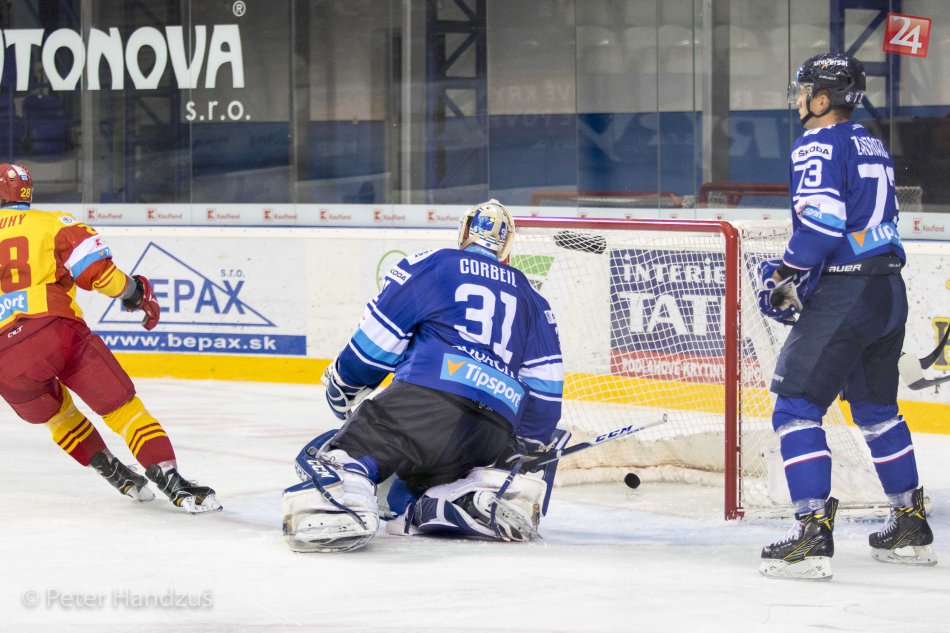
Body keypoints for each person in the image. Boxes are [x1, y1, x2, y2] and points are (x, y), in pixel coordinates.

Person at [282, 200, 566, 552]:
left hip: (424, 406)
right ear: (507, 246)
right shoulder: (533, 298)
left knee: (345, 455)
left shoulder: (432, 264)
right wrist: (518, 448)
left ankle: (344, 499)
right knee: (405, 498)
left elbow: (372, 349)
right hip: (490, 432)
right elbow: (546, 395)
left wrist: (344, 381)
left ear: (464, 232)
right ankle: (455, 497)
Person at [757, 53, 935, 580]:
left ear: (822, 99)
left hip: (846, 294)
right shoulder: (870, 142)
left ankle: (811, 536)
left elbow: (823, 224)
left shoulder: (816, 143)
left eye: (803, 91)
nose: (798, 99)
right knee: (878, 411)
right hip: (887, 292)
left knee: (795, 408)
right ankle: (909, 524)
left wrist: (785, 274)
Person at [0, 163, 220, 514]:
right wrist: (137, 294)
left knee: (59, 418)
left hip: (4, 359)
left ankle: (114, 472)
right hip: (55, 331)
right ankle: (172, 480)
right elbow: (99, 275)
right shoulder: (52, 223)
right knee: (123, 409)